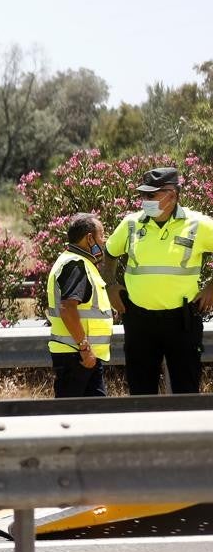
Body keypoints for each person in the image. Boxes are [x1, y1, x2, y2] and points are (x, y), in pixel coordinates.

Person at [104, 167, 213, 395]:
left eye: (151, 196)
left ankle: (184, 432)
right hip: (139, 320)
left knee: (186, 391)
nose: (145, 201)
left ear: (172, 195)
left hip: (182, 321)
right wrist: (110, 285)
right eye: (143, 195)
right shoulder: (131, 224)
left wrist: (212, 287)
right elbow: (109, 254)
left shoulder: (198, 224)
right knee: (141, 393)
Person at [47, 213, 112, 398]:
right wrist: (85, 349)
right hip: (78, 357)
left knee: (92, 417)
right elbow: (68, 309)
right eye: (101, 235)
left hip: (81, 356)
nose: (104, 240)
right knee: (72, 418)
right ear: (89, 238)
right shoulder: (76, 265)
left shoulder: (78, 262)